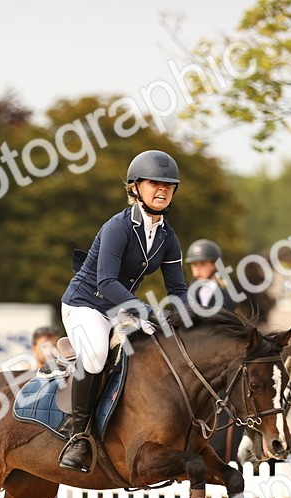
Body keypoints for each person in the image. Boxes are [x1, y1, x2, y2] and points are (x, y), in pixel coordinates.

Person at [58, 149, 189, 472]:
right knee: (97, 354)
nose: (162, 190)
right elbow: (105, 282)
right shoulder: (118, 227)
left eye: (168, 185)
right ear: (135, 188)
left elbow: (178, 290)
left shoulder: (167, 238)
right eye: (154, 184)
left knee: (151, 351)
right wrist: (145, 311)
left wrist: (189, 319)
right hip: (85, 304)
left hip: (120, 308)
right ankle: (77, 436)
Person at [185, 239, 238, 314]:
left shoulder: (228, 298)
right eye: (194, 264)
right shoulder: (184, 295)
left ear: (215, 265)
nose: (197, 269)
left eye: (202, 264)